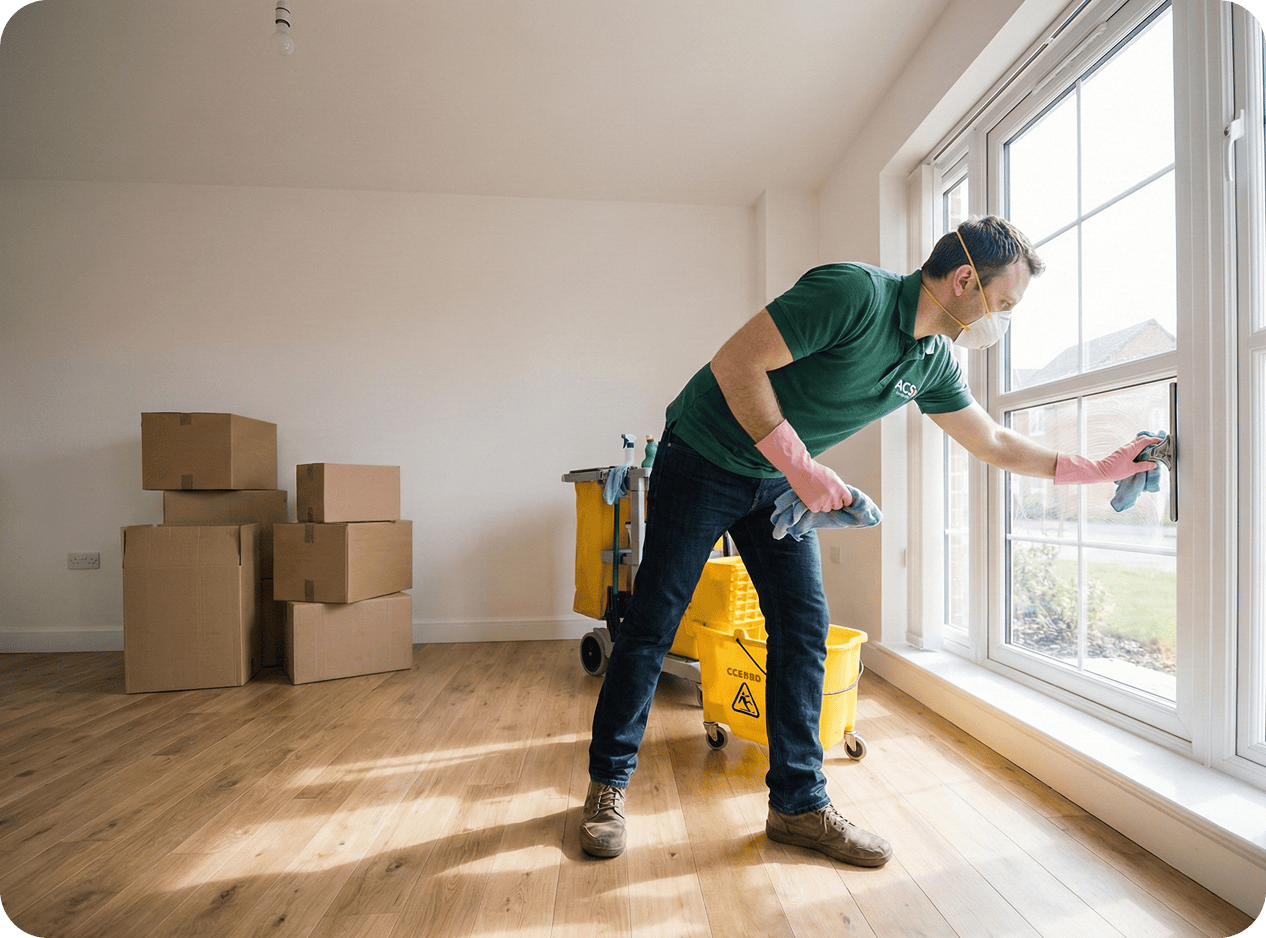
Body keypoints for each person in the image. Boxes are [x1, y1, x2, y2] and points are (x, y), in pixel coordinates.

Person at [579, 215, 1158, 866]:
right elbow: (736, 365)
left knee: (803, 628)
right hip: (702, 457)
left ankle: (797, 806)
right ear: (964, 280)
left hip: (777, 478)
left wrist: (1100, 468)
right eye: (1003, 304)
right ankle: (607, 786)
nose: (1002, 321)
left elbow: (993, 442)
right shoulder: (854, 293)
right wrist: (803, 469)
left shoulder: (933, 362)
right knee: (653, 622)